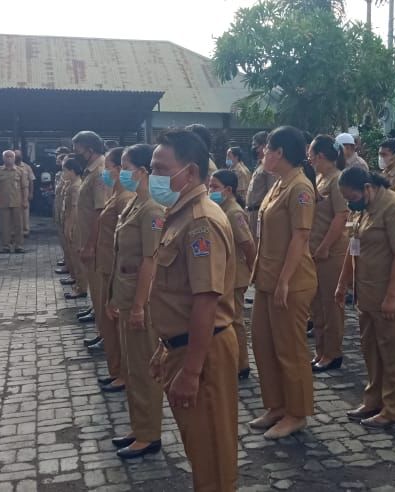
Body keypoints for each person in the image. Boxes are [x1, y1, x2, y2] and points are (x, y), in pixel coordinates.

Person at [148, 129, 239, 491]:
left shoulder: (201, 222)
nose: (153, 175)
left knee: (212, 453)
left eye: (160, 167)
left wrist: (191, 371)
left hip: (204, 352)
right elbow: (177, 294)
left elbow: (206, 300)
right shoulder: (180, 214)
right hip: (184, 346)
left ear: (190, 171)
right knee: (199, 447)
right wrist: (165, 345)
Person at [335, 167, 395, 428]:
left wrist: (392, 296)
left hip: (394, 294)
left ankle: (394, 409)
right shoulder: (361, 210)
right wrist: (342, 283)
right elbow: (354, 248)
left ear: (367, 188)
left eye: (352, 197)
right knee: (371, 350)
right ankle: (374, 399)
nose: (350, 203)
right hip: (369, 294)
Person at [248, 125, 317, 440]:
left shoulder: (300, 187)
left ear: (280, 153)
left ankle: (297, 412)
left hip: (289, 281)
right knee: (263, 344)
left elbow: (300, 237)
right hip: (267, 279)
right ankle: (276, 405)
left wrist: (285, 281)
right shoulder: (278, 184)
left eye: (267, 149)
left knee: (290, 349)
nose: (263, 154)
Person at [106, 143, 165, 458]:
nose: (121, 172)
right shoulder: (133, 205)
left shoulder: (152, 209)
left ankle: (149, 434)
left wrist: (140, 304)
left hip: (140, 300)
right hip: (126, 294)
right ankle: (139, 427)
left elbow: (150, 261)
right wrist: (115, 297)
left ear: (142, 171)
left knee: (143, 368)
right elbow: (120, 257)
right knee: (131, 367)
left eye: (126, 166)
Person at [89, 148, 136, 394]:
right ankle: (116, 370)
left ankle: (123, 373)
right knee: (108, 325)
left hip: (116, 269)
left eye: (109, 167)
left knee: (116, 327)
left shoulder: (126, 197)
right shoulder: (115, 194)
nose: (106, 172)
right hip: (106, 265)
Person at [209, 169, 257, 379]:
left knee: (234, 320)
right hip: (226, 274)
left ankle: (241, 364)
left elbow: (248, 245)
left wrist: (253, 272)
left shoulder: (233, 212)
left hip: (236, 276)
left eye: (215, 187)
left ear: (228, 190)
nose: (211, 190)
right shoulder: (221, 208)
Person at [307, 135, 349, 372]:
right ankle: (321, 350)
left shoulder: (336, 179)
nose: (310, 160)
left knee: (331, 304)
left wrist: (324, 246)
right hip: (316, 251)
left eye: (311, 155)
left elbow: (341, 216)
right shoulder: (320, 178)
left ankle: (332, 352)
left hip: (331, 252)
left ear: (321, 156)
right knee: (317, 305)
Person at [74, 132, 108, 311]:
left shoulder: (100, 172)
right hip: (88, 236)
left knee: (98, 286)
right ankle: (98, 319)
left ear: (90, 149)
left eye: (78, 150)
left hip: (97, 241)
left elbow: (99, 211)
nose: (76, 155)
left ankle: (104, 333)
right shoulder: (90, 170)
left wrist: (90, 245)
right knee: (95, 287)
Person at [60, 158, 89, 300]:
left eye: (65, 170)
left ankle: (81, 287)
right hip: (69, 221)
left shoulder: (76, 186)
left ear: (72, 170)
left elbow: (74, 208)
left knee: (77, 257)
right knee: (72, 254)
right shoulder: (71, 184)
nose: (63, 173)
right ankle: (78, 283)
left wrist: (69, 226)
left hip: (75, 224)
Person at [0, 150, 28, 254]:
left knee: (18, 225)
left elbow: (24, 187)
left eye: (11, 156)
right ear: (3, 158)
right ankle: (6, 246)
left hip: (17, 201)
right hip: (3, 202)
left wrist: (25, 200)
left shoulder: (20, 171)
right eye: (6, 157)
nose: (9, 158)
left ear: (14, 158)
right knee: (4, 225)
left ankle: (19, 245)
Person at [246, 131, 275, 240]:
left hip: (259, 212)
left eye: (255, 145)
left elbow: (271, 192)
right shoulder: (259, 164)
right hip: (252, 213)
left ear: (264, 146)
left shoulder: (268, 167)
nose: (253, 149)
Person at [53, 148, 73, 274]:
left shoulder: (74, 184)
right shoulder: (61, 176)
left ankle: (77, 278)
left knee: (71, 247)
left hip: (69, 217)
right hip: (61, 211)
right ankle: (68, 265)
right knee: (65, 244)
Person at [14, 149, 36, 236]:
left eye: (18, 155)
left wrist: (31, 192)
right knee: (13, 213)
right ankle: (14, 231)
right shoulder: (9, 167)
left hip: (24, 193)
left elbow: (31, 181)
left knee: (25, 212)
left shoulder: (27, 167)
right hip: (13, 193)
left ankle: (25, 231)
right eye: (15, 155)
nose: (17, 157)